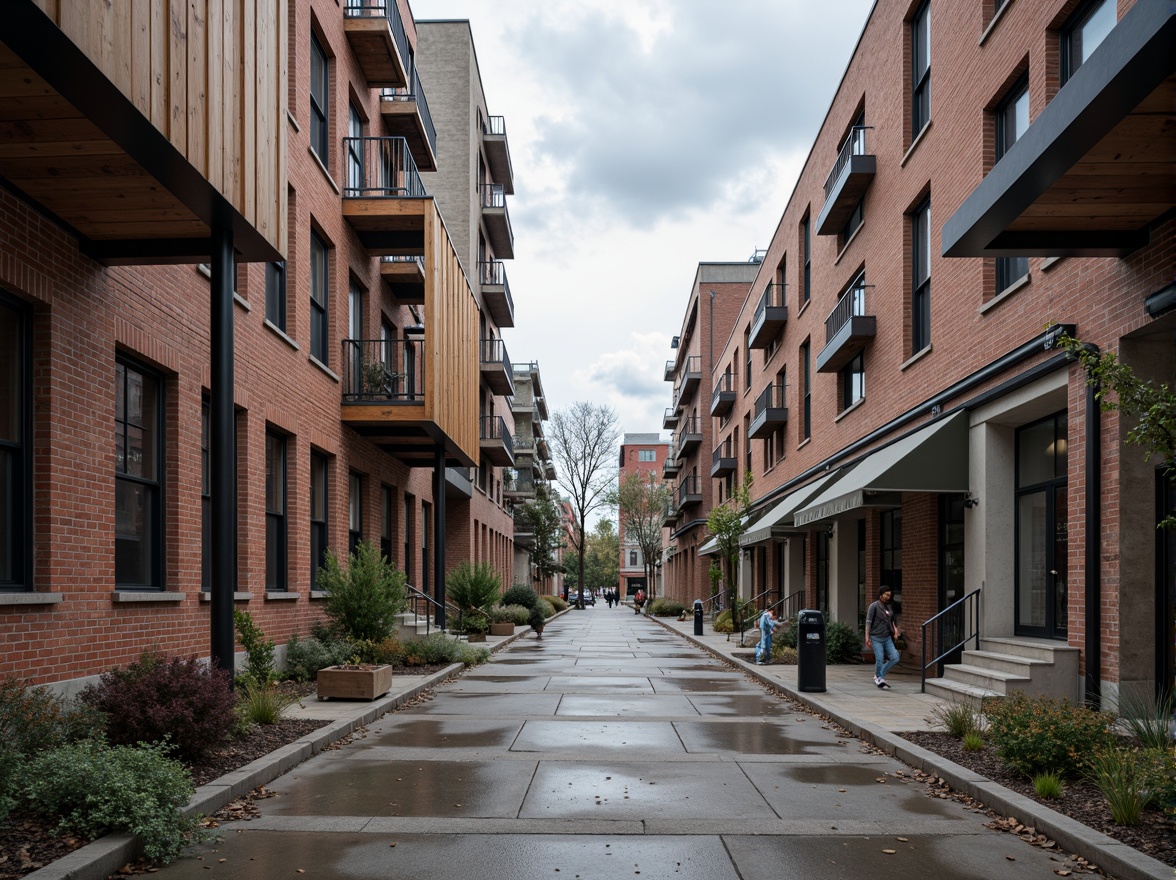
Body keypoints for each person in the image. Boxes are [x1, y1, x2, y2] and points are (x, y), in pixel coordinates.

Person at [865, 586, 901, 688]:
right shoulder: (874, 606)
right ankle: (879, 677)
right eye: (886, 595)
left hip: (887, 637)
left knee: (895, 657)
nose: (888, 597)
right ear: (881, 594)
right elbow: (868, 621)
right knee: (879, 659)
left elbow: (892, 620)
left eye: (890, 595)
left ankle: (878, 674)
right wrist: (867, 637)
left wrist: (895, 630)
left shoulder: (889, 606)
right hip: (876, 637)